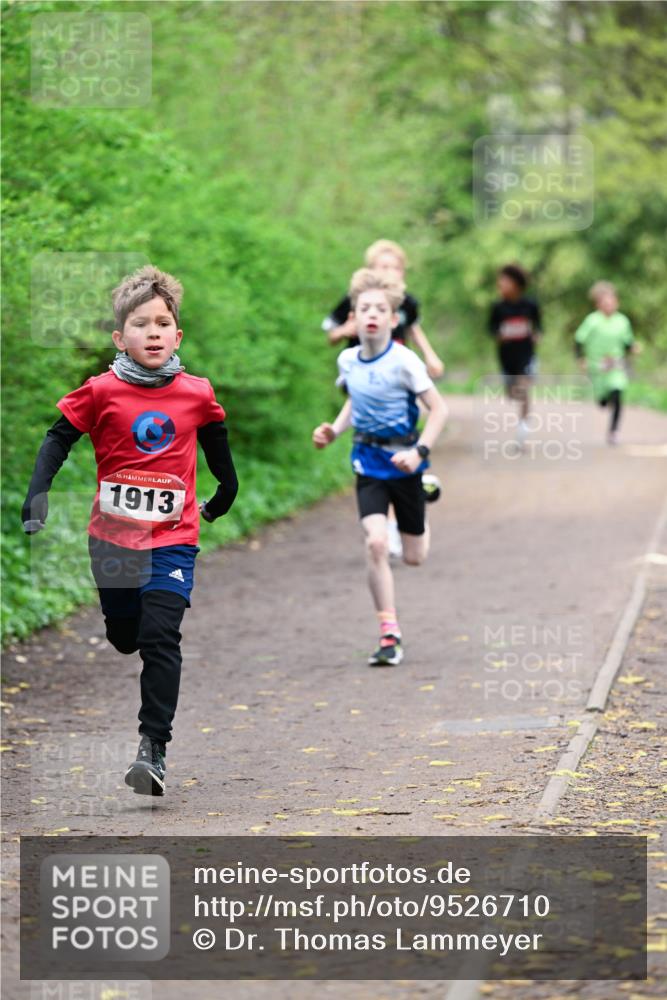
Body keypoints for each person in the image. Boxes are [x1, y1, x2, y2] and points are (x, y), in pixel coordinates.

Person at [22, 265, 238, 796]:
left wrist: (224, 494)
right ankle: (122, 626)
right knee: (125, 637)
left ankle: (152, 749)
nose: (154, 332)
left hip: (174, 537)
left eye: (163, 323)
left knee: (160, 635)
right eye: (141, 324)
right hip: (113, 539)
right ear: (121, 337)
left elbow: (218, 451)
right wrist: (38, 493)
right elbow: (57, 439)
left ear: (178, 335)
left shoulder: (196, 393)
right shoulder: (101, 391)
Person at [313, 268, 447, 667]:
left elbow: (439, 410)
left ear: (393, 319)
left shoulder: (405, 362)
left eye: (380, 309)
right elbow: (355, 400)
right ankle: (389, 633)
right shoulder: (348, 360)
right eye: (363, 308)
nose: (371, 314)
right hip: (368, 461)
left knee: (414, 557)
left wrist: (420, 453)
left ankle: (423, 492)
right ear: (353, 317)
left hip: (405, 461)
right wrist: (333, 430)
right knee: (374, 542)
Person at [322, 239, 445, 379]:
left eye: (396, 268)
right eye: (385, 267)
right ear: (370, 270)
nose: (391, 272)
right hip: (360, 369)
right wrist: (343, 331)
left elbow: (413, 329)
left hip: (396, 369)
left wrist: (430, 355)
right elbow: (331, 335)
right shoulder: (357, 299)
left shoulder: (406, 302)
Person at [488, 263, 542, 449]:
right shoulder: (498, 307)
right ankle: (522, 422)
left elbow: (539, 326)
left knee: (524, 388)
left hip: (526, 355)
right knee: (512, 394)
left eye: (504, 281)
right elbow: (491, 329)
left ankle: (523, 428)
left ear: (516, 284)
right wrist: (500, 335)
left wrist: (537, 335)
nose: (500, 285)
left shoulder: (530, 305)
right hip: (506, 357)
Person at [575, 281, 635, 445]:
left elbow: (628, 342)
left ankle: (613, 431)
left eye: (612, 302)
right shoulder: (592, 320)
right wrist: (581, 358)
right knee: (602, 402)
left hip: (616, 365)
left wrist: (633, 348)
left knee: (617, 392)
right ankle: (604, 398)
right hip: (597, 367)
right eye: (605, 302)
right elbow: (579, 340)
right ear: (599, 304)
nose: (609, 305)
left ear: (617, 302)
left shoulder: (622, 321)